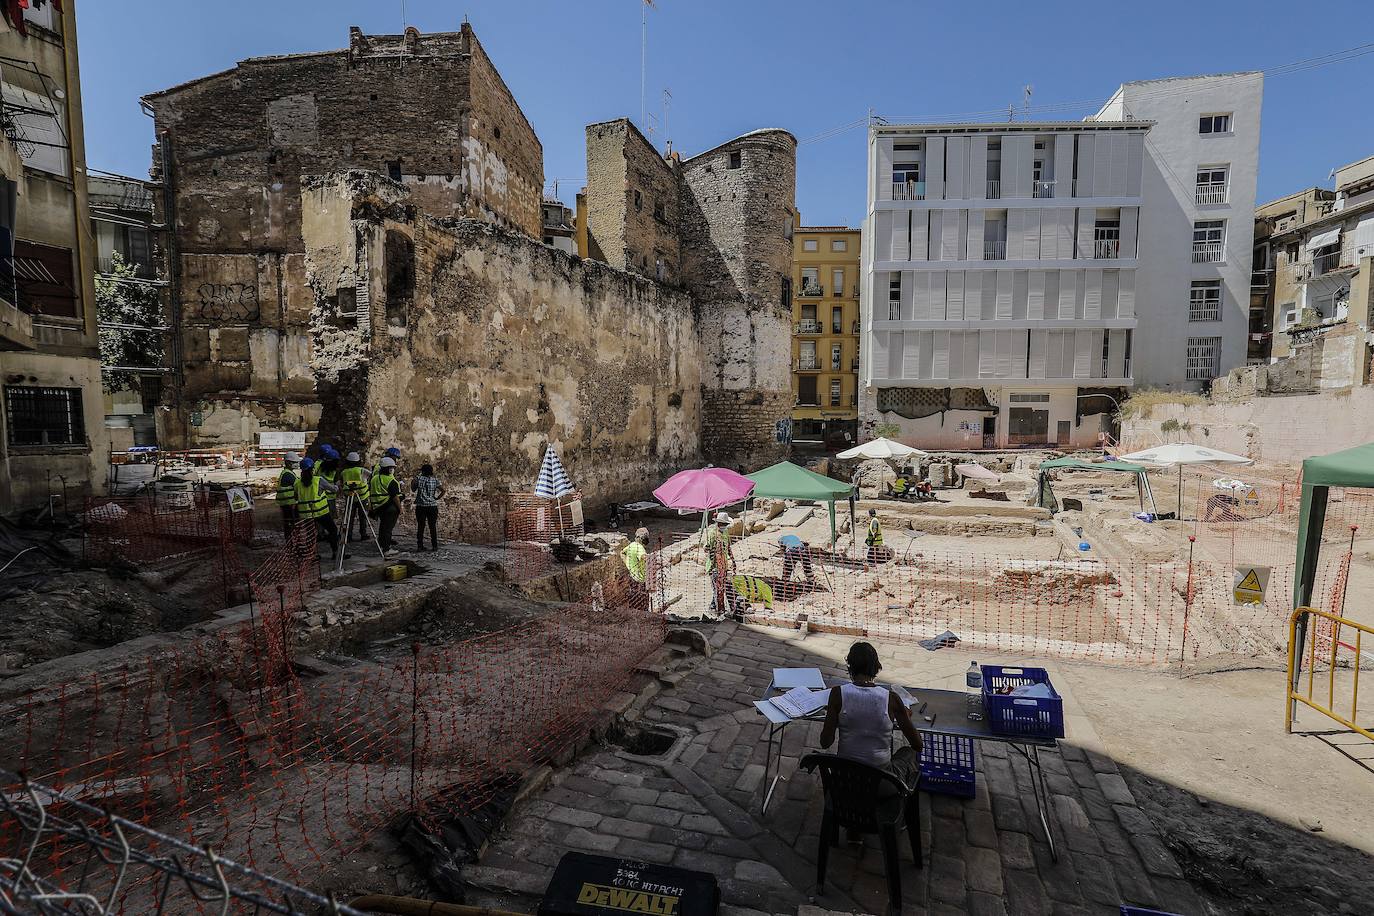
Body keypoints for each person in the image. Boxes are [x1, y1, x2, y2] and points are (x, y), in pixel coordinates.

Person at [819, 641, 922, 794]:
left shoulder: (837, 694)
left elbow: (825, 742)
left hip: (846, 779)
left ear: (850, 668)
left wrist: (835, 716)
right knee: (908, 752)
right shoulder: (892, 700)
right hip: (882, 785)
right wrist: (903, 715)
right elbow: (918, 745)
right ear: (876, 667)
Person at [294, 457, 340, 559]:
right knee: (333, 530)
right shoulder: (318, 480)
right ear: (313, 468)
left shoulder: (297, 483)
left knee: (310, 535)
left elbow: (296, 497)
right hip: (321, 512)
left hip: (306, 514)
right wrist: (337, 485)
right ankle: (335, 552)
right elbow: (333, 489)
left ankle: (312, 555)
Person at [702, 511, 736, 617]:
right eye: (724, 524)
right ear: (719, 523)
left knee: (720, 588)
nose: (726, 526)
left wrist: (733, 560)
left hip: (724, 565)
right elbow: (706, 548)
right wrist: (709, 548)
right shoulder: (712, 534)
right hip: (714, 566)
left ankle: (712, 606)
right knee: (717, 589)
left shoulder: (725, 533)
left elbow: (728, 547)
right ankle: (718, 611)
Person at [369, 456, 404, 555]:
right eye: (392, 467)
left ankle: (381, 543)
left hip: (378, 507)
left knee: (383, 526)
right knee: (388, 528)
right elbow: (395, 497)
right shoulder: (390, 480)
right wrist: (400, 508)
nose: (393, 469)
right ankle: (386, 549)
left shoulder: (374, 478)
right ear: (388, 468)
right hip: (389, 507)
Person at [411, 463, 444, 551]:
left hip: (421, 506)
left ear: (423, 471)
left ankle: (420, 546)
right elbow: (443, 490)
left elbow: (413, 489)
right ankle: (434, 546)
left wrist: (414, 480)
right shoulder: (435, 480)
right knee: (432, 526)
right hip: (432, 505)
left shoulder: (418, 479)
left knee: (421, 526)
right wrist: (437, 498)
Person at [339, 451, 372, 542]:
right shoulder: (362, 470)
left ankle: (348, 535)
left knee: (349, 517)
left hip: (350, 497)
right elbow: (371, 476)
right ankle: (363, 534)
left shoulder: (344, 472)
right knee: (363, 517)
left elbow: (341, 483)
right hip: (362, 496)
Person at [621, 527, 650, 608]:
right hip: (640, 580)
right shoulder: (639, 548)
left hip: (632, 577)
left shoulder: (631, 545)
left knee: (633, 598)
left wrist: (628, 564)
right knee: (642, 601)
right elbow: (644, 557)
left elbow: (622, 553)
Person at [276, 452, 301, 535]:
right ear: (288, 463)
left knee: (289, 523)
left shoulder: (288, 473)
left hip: (288, 503)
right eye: (295, 462)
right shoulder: (288, 474)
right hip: (289, 503)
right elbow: (299, 486)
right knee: (291, 523)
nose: (297, 464)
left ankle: (291, 539)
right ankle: (292, 540)